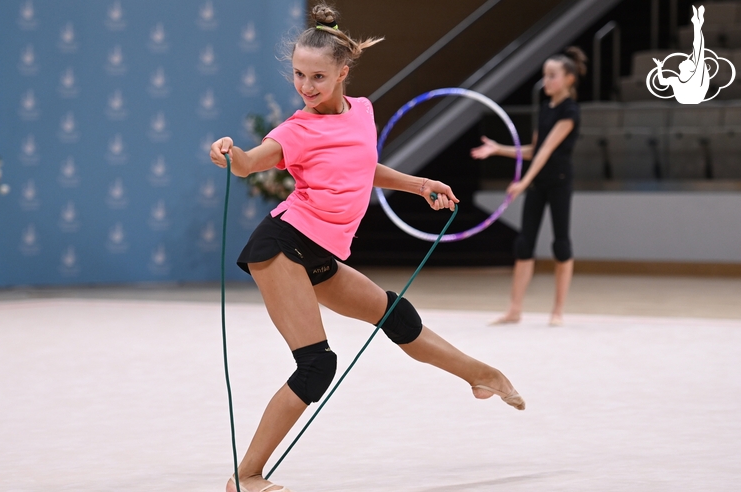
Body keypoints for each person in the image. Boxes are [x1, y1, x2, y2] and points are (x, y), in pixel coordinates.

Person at [210, 5, 525, 492]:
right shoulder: (297, 129)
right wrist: (231, 153)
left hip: (320, 255)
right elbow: (251, 163)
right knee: (317, 365)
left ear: (343, 73)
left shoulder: (362, 112)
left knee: (397, 316)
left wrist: (418, 185)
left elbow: (361, 167)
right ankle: (246, 476)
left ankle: (482, 375)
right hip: (283, 246)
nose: (306, 86)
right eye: (298, 74)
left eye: (318, 76)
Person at [470, 46, 587, 327]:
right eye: (545, 75)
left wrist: (523, 181)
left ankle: (557, 310)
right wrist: (499, 149)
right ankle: (514, 309)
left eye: (552, 76)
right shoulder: (545, 108)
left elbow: (547, 151)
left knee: (561, 243)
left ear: (569, 78)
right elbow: (534, 149)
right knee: (524, 243)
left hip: (558, 182)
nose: (546, 81)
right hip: (538, 183)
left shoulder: (570, 111)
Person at [653, 5, 709, 104]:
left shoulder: (696, 77)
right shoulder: (675, 80)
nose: (686, 59)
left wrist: (697, 26)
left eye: (689, 61)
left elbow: (698, 47)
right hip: (683, 102)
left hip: (695, 99)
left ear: (691, 69)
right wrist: (659, 67)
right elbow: (662, 82)